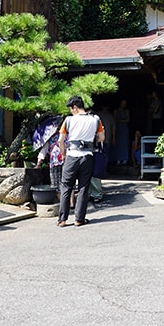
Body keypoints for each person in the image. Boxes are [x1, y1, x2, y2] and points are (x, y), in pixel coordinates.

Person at [57, 95, 103, 227]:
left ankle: (62, 220)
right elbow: (101, 137)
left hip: (72, 155)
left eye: (71, 109)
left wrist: (64, 154)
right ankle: (79, 219)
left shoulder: (69, 120)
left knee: (66, 186)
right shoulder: (95, 119)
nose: (70, 111)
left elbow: (61, 140)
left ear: (75, 107)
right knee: (83, 187)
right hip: (87, 156)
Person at [113, 99, 131, 165]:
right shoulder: (116, 111)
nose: (124, 105)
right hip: (118, 128)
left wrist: (120, 120)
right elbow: (115, 119)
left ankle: (125, 158)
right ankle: (118, 159)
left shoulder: (126, 111)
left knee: (125, 143)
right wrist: (122, 120)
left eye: (125, 104)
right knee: (118, 143)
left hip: (124, 128)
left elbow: (128, 119)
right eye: (123, 103)